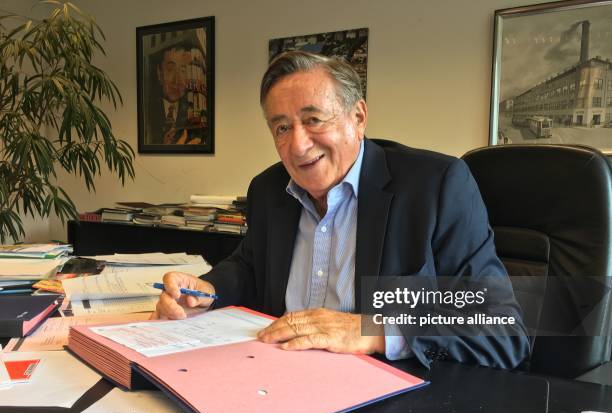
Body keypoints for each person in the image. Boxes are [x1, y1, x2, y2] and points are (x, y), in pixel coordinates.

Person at [153, 51, 530, 369]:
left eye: (314, 120)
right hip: (273, 381)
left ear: (358, 118)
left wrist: (373, 329)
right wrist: (208, 290)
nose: (298, 145)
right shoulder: (268, 190)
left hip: (388, 407)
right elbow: (250, 268)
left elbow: (503, 328)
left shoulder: (435, 186)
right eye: (281, 127)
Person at [146, 45, 203, 145]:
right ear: (159, 73)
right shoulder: (147, 108)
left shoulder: (193, 110)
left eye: (183, 70)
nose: (177, 80)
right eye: (170, 69)